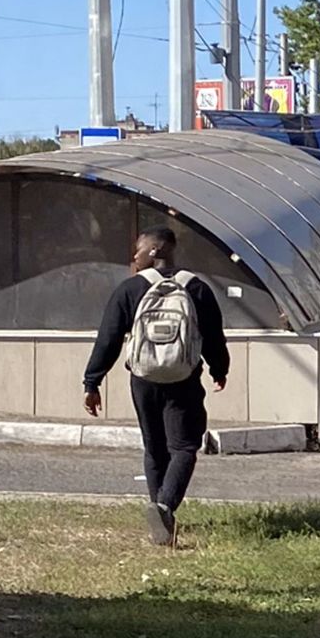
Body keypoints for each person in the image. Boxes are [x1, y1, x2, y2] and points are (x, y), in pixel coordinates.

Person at [83, 227, 229, 546]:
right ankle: (164, 508)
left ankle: (159, 512)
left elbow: (107, 339)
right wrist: (220, 369)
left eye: (137, 250)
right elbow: (213, 337)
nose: (133, 257)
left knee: (154, 447)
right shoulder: (196, 288)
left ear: (155, 251)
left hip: (144, 380)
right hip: (183, 380)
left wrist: (92, 381)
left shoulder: (130, 289)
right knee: (185, 447)